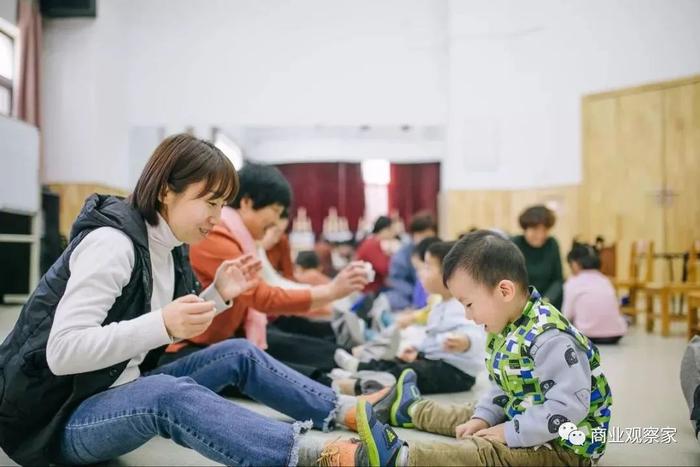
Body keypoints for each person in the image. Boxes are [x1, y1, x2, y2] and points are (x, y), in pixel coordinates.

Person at [0, 134, 376, 466]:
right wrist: (161, 323)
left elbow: (167, 323)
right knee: (167, 394)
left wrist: (217, 296)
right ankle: (309, 456)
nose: (217, 216)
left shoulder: (170, 245)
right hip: (54, 422)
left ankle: (345, 410)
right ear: (166, 190)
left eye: (222, 204)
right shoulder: (111, 245)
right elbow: (63, 352)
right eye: (210, 202)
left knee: (237, 353)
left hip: (114, 387)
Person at [318, 230, 613, 466]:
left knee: (485, 452)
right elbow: (505, 386)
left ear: (505, 291)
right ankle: (409, 408)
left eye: (469, 304)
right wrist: (484, 418)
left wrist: (509, 432)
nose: (469, 316)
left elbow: (567, 409)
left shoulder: (551, 338)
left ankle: (404, 458)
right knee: (471, 414)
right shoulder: (507, 322)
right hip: (528, 414)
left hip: (566, 447)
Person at [335, 241, 486, 394]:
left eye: (427, 268)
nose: (421, 273)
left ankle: (361, 384)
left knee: (408, 373)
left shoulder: (461, 305)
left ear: (449, 274)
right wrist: (419, 351)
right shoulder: (439, 303)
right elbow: (432, 338)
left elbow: (476, 333)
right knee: (397, 362)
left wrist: (466, 341)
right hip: (436, 363)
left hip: (457, 374)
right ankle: (361, 369)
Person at [563, 241, 627, 344]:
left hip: (587, 336)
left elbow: (566, 315)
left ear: (574, 264)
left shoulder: (572, 281)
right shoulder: (605, 280)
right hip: (616, 335)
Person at [512, 205, 564, 309]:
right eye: (535, 230)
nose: (540, 235)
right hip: (520, 304)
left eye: (545, 230)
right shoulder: (514, 244)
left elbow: (558, 280)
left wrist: (545, 300)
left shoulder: (552, 244)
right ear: (525, 228)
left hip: (547, 304)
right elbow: (509, 279)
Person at [385, 211, 437, 311]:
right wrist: (417, 293)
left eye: (428, 235)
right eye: (420, 235)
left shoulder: (437, 251)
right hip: (409, 298)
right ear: (413, 235)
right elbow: (397, 281)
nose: (424, 239)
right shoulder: (402, 255)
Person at [355, 216, 396, 294]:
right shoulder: (372, 245)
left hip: (373, 286)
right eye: (392, 230)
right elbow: (385, 268)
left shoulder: (372, 242)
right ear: (385, 230)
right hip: (370, 289)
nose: (394, 234)